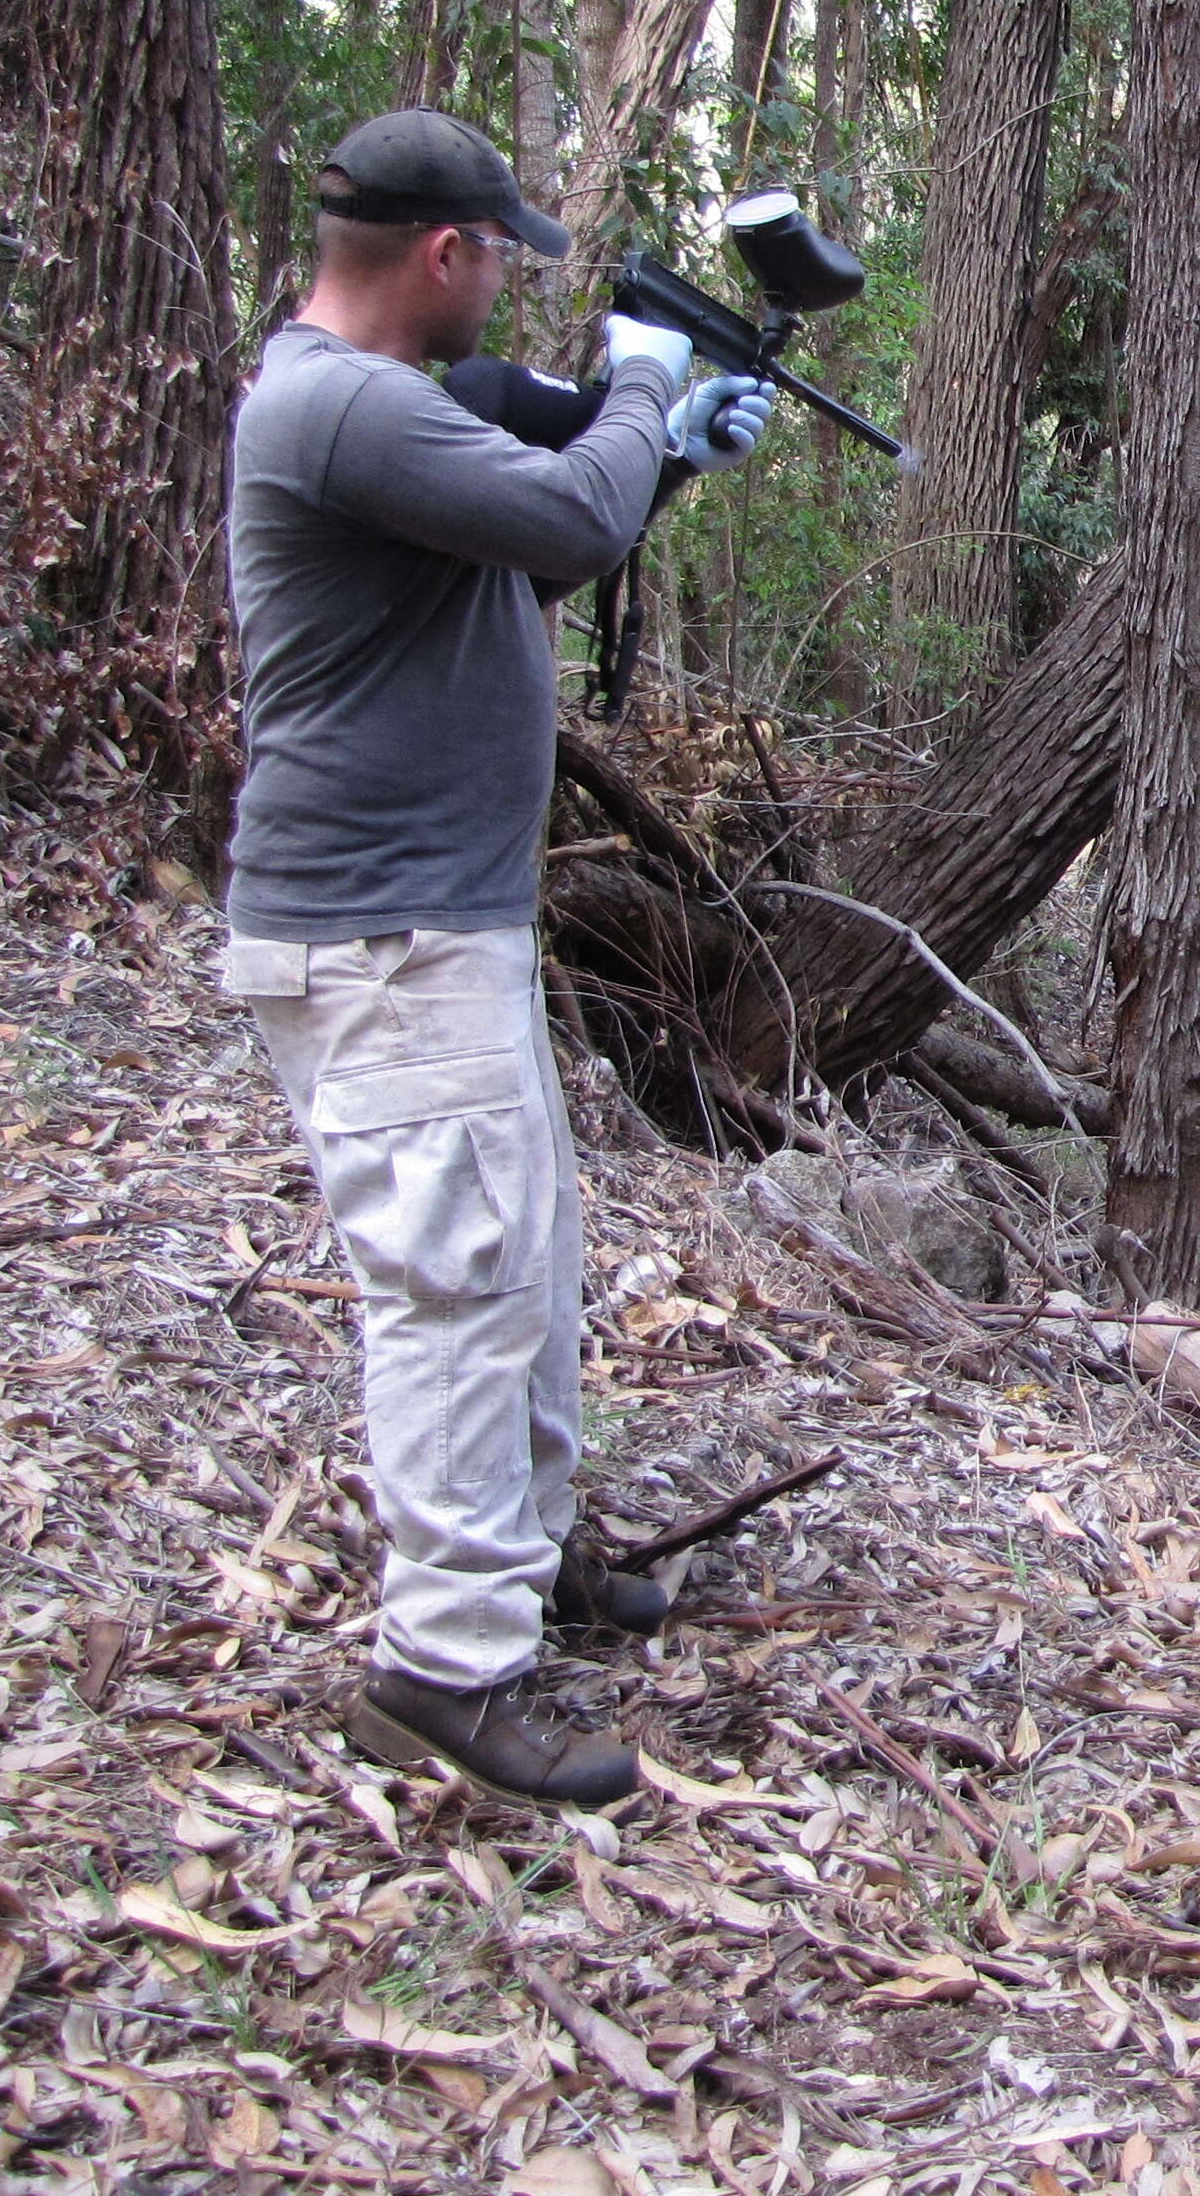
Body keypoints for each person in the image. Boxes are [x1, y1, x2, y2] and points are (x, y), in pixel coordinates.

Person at [218, 110, 772, 1808]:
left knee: (521, 1255)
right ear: (442, 256)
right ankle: (444, 1673)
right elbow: (570, 525)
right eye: (495, 261)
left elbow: (553, 515)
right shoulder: (339, 406)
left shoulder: (377, 405)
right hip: (376, 935)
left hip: (436, 923)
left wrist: (662, 440)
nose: (501, 294)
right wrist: (636, 393)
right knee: (452, 1289)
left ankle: (523, 1554)